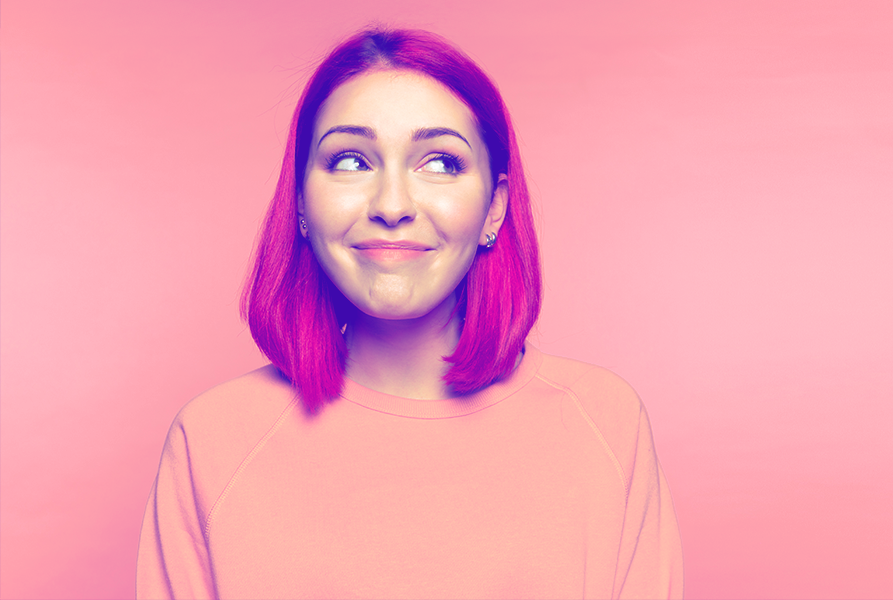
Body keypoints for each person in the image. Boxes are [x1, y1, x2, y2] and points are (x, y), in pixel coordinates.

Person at [135, 28, 682, 599]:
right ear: (300, 201)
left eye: (440, 163)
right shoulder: (213, 442)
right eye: (351, 160)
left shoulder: (604, 426)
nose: (392, 206)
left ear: (494, 208)